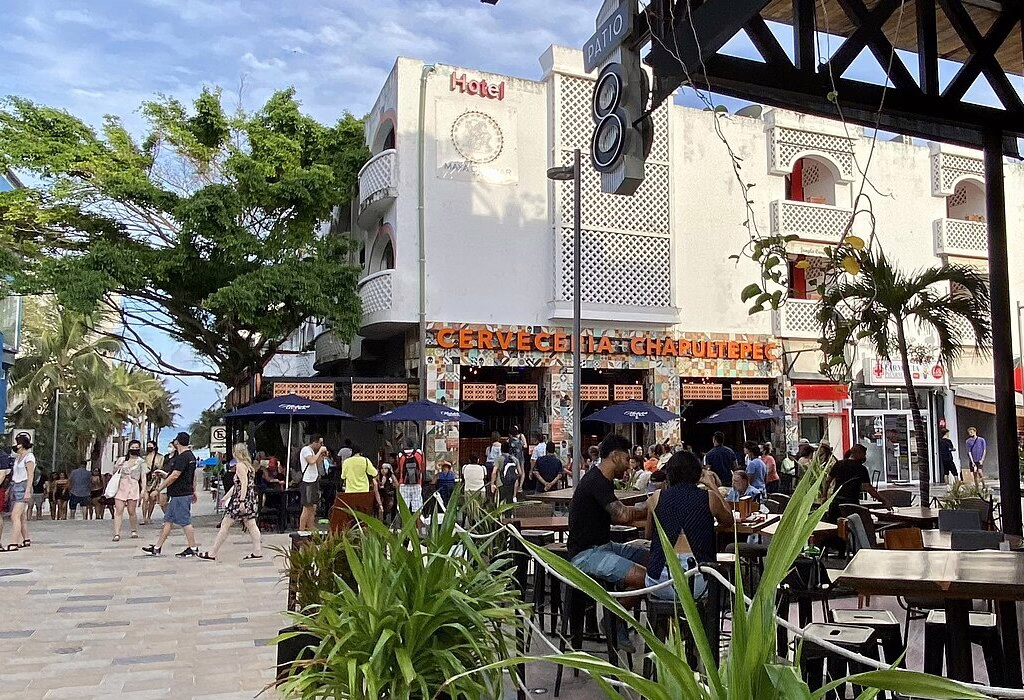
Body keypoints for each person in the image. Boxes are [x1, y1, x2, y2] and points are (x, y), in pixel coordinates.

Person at [566, 434, 649, 652]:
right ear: (615, 456)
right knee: (648, 578)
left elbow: (614, 516)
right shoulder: (596, 481)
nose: (629, 464)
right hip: (585, 555)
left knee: (655, 562)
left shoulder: (603, 480)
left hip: (604, 547)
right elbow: (621, 514)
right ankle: (614, 618)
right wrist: (651, 507)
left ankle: (616, 616)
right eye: (627, 458)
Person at [644, 451, 732, 599]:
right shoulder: (709, 498)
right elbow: (729, 520)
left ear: (669, 474)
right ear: (697, 473)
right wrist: (712, 485)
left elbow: (648, 535)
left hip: (659, 581)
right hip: (698, 580)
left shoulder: (656, 497)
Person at [199, 443, 263, 562]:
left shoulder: (240, 466)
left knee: (226, 524)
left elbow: (243, 484)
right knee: (251, 524)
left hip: (240, 499)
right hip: (250, 498)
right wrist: (226, 497)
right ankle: (257, 550)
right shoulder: (248, 466)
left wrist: (242, 501)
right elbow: (237, 485)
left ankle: (213, 552)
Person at [143, 432, 200, 557]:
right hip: (181, 493)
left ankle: (193, 548)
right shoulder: (191, 456)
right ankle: (157, 547)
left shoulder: (182, 457)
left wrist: (158, 489)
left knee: (185, 521)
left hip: (181, 494)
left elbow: (175, 475)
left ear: (177, 442)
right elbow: (191, 475)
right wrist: (194, 490)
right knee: (168, 521)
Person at [825, 444, 888, 522]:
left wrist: (824, 495)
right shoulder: (861, 469)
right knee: (852, 525)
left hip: (836, 502)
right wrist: (883, 500)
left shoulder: (839, 464)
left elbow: (828, 480)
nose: (864, 457)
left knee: (834, 525)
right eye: (863, 455)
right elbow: (868, 488)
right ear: (858, 453)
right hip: (851, 504)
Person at [3, 435, 35, 551]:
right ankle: (26, 538)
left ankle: (14, 542)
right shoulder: (18, 457)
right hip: (15, 485)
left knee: (14, 515)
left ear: (21, 444)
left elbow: (30, 475)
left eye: (17, 443)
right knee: (21, 516)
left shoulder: (29, 457)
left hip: (23, 485)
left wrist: (28, 490)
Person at [111, 440, 146, 541]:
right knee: (119, 510)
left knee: (132, 511)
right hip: (121, 485)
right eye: (133, 447)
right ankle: (117, 533)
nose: (134, 449)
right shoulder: (122, 460)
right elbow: (114, 471)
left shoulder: (141, 462)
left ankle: (134, 530)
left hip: (133, 486)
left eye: (136, 448)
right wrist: (119, 467)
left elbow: (143, 476)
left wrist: (143, 490)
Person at [298, 435, 328, 532]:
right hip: (307, 482)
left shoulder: (313, 452)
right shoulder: (306, 450)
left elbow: (317, 464)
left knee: (313, 508)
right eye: (320, 443)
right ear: (315, 442)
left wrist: (322, 456)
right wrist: (319, 451)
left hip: (314, 480)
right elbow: (311, 461)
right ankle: (301, 530)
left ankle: (311, 529)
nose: (321, 445)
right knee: (307, 508)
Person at [142, 440, 165, 524]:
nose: (149, 447)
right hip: (146, 479)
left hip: (156, 480)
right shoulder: (145, 457)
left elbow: (161, 467)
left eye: (150, 445)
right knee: (145, 499)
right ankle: (144, 517)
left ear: (154, 446)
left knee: (152, 499)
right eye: (148, 446)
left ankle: (149, 516)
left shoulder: (160, 457)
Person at [398, 444, 425, 512]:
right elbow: (422, 469)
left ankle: (404, 519)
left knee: (403, 508)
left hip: (403, 485)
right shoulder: (419, 454)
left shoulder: (401, 455)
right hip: (417, 484)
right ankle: (417, 518)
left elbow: (399, 470)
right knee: (417, 508)